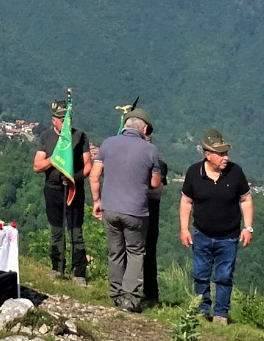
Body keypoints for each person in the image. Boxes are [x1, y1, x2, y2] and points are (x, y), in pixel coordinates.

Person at [90, 105, 163, 312]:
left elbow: (94, 176)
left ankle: (115, 293)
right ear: (144, 128)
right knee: (135, 252)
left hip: (110, 208)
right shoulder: (150, 150)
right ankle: (130, 299)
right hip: (135, 211)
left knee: (115, 252)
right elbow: (156, 183)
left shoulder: (108, 143)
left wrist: (97, 201)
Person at [179, 128, 253, 324]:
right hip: (201, 234)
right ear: (208, 155)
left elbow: (246, 200)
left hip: (228, 236)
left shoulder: (235, 172)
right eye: (220, 154)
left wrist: (248, 227)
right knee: (200, 274)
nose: (225, 157)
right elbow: (186, 202)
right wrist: (184, 229)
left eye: (226, 153)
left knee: (224, 276)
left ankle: (221, 313)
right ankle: (202, 310)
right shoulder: (194, 173)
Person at [33, 100, 93, 285]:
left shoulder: (80, 137)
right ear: (54, 120)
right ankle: (57, 268)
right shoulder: (46, 137)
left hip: (73, 189)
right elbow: (37, 166)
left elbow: (88, 166)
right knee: (56, 230)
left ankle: (79, 272)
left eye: (67, 118)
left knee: (76, 230)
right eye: (61, 119)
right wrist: (55, 158)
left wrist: (74, 177)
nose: (65, 122)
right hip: (52, 190)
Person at [143, 118, 169, 306]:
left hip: (149, 213)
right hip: (139, 210)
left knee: (148, 253)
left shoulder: (160, 164)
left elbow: (158, 190)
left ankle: (150, 293)